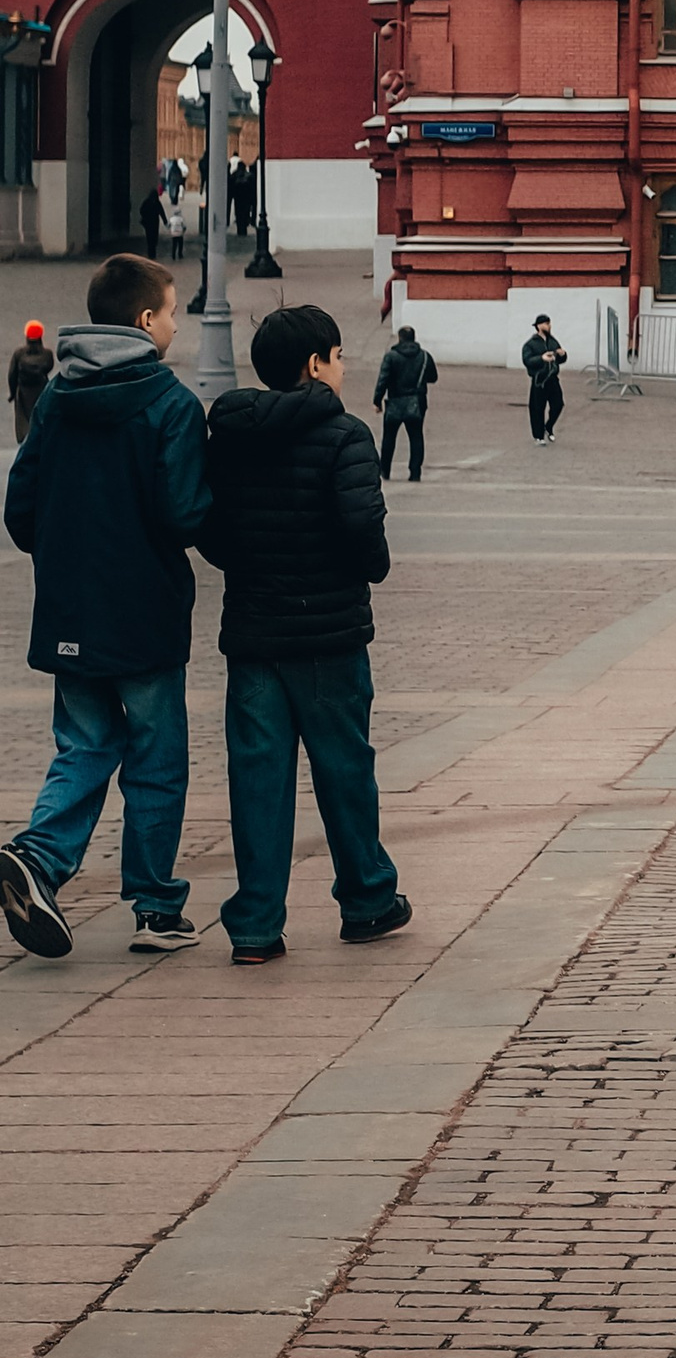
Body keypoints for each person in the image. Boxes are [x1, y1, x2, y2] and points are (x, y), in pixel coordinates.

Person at [0, 255, 210, 958]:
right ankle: (155, 908)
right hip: (145, 613)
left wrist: (66, 555)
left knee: (84, 742)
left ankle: (40, 856)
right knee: (156, 757)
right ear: (147, 321)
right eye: (174, 312)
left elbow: (20, 507)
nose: (177, 325)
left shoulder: (57, 398)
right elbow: (185, 513)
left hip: (70, 613)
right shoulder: (171, 403)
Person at [203, 302, 406, 963]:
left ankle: (257, 925)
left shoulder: (231, 433)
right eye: (340, 355)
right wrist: (368, 566)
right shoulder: (345, 435)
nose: (345, 367)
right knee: (344, 767)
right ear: (316, 364)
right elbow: (362, 531)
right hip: (329, 635)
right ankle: (367, 898)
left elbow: (208, 526)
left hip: (256, 635)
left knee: (258, 778)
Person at [372, 324, 438, 483]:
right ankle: (415, 472)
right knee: (416, 437)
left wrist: (377, 400)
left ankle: (385, 470)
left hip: (395, 400)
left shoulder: (391, 356)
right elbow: (433, 377)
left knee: (389, 437)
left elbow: (383, 379)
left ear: (400, 338)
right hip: (416, 402)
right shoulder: (424, 356)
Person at [522, 314, 567, 445]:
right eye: (546, 323)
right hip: (539, 380)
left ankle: (549, 426)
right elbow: (527, 360)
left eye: (549, 323)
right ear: (539, 326)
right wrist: (541, 358)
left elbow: (560, 359)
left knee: (558, 404)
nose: (549, 326)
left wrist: (562, 355)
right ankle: (538, 436)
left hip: (552, 378)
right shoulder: (531, 344)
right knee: (537, 408)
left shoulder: (552, 341)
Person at [8, 321, 53, 447]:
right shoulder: (47, 354)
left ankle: (25, 446)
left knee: (24, 422)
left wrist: (12, 393)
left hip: (23, 392)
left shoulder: (19, 354)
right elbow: (49, 368)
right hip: (41, 390)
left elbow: (12, 374)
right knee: (40, 418)